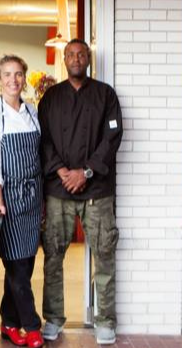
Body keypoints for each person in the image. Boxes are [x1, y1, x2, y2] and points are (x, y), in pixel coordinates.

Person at [38, 39, 123, 345]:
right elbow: (43, 140)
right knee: (53, 257)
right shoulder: (50, 98)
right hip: (58, 190)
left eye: (81, 54)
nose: (76, 58)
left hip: (97, 189)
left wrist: (85, 172)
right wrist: (63, 171)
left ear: (88, 58)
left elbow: (112, 137)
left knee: (104, 254)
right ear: (64, 59)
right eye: (71, 54)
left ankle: (105, 321)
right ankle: (54, 319)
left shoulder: (105, 95)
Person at [0, 54, 44, 348]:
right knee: (16, 267)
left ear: (24, 78)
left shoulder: (31, 112)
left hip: (32, 199)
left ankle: (8, 322)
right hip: (8, 201)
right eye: (7, 74)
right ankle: (32, 326)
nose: (13, 80)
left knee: (25, 265)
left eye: (18, 74)